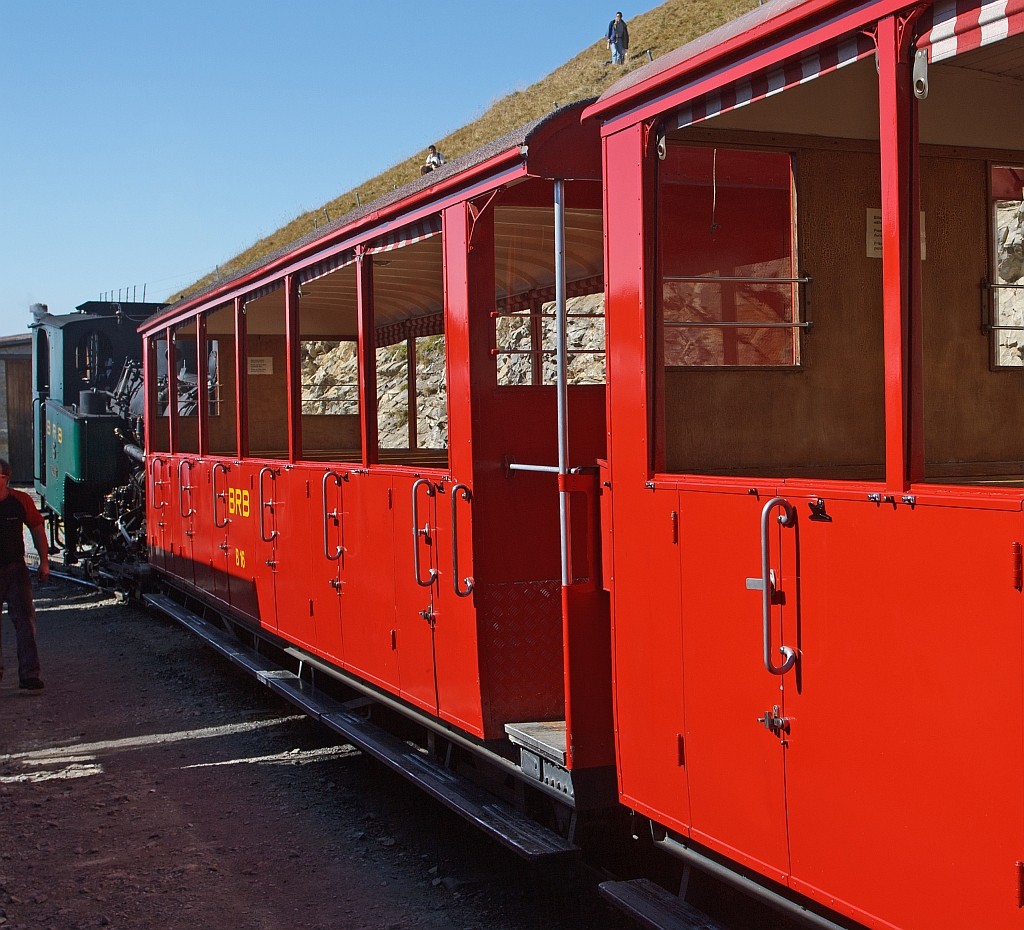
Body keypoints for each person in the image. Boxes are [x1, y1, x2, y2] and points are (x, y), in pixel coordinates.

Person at [0, 458, 49, 690]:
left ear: (6, 478)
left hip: (15, 569)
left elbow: (37, 528)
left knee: (26, 622)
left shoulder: (21, 501)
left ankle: (29, 674)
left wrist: (44, 562)